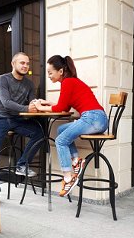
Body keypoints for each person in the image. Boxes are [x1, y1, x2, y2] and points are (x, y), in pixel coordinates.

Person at [33, 55, 108, 197]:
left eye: (50, 72)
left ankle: (68, 177)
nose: (48, 76)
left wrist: (39, 107)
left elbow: (61, 107)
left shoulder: (68, 82)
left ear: (60, 71)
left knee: (61, 140)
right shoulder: (70, 82)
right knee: (61, 129)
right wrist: (48, 104)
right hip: (98, 118)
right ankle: (75, 161)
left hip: (93, 118)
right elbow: (65, 107)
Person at [0, 52, 44, 191]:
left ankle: (22, 164)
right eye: (22, 63)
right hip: (0, 117)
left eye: (27, 63)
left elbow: (32, 101)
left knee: (39, 133)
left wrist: (38, 105)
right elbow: (6, 102)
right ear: (13, 64)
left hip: (17, 119)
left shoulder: (29, 84)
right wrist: (28, 108)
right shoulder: (3, 79)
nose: (25, 66)